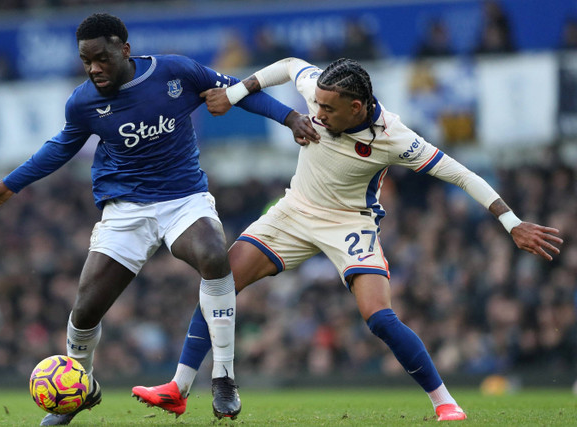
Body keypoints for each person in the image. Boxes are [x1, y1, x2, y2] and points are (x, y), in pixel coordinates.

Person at [132, 57, 563, 421]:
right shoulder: (320, 90)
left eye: (328, 109)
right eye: (315, 104)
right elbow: (287, 65)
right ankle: (179, 386)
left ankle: (445, 402)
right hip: (292, 212)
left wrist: (512, 223)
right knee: (219, 279)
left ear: (357, 108)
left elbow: (461, 174)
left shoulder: (395, 138)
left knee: (378, 317)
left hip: (349, 224)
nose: (316, 114)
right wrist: (238, 92)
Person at [0, 14, 317, 426]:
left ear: (124, 50)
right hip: (126, 209)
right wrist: (11, 184)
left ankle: (223, 375)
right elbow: (60, 147)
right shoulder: (83, 102)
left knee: (213, 255)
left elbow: (236, 90)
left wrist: (290, 117)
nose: (94, 68)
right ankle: (80, 389)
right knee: (84, 312)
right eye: (86, 60)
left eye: (101, 58)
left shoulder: (175, 72)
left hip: (183, 199)